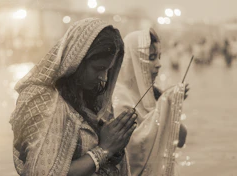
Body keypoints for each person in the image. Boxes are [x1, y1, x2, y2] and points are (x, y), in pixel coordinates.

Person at [10, 18, 137, 176]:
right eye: (98, 68)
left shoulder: (95, 97)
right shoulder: (41, 98)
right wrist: (104, 150)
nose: (104, 78)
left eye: (108, 70)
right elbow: (42, 173)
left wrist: (116, 146)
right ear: (77, 60)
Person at [113, 28, 189, 176]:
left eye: (159, 57)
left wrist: (171, 108)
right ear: (133, 60)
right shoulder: (119, 98)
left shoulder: (155, 93)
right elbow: (132, 153)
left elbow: (180, 140)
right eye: (151, 57)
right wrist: (165, 106)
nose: (159, 64)